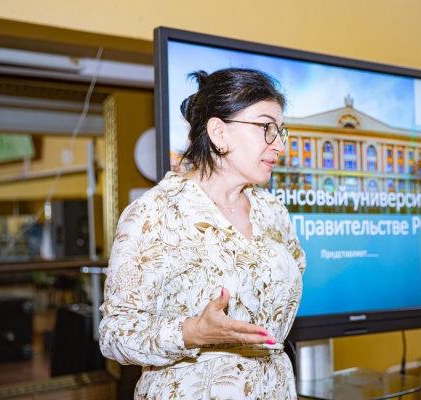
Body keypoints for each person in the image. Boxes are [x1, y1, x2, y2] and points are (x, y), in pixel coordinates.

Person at [99, 68, 306, 399]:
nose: (279, 145)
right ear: (219, 132)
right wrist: (192, 332)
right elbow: (115, 335)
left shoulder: (274, 213)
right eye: (266, 128)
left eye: (280, 131)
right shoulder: (156, 212)